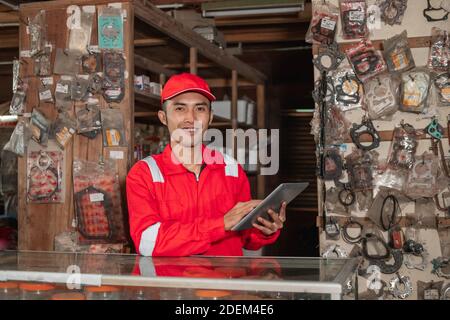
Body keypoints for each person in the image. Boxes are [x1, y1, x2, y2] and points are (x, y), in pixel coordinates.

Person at [126, 73, 286, 257]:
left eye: (200, 109)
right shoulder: (144, 173)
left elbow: (247, 239)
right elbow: (148, 243)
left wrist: (266, 229)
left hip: (225, 282)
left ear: (210, 117)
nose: (190, 118)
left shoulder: (231, 169)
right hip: (174, 284)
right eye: (180, 109)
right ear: (163, 117)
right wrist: (220, 224)